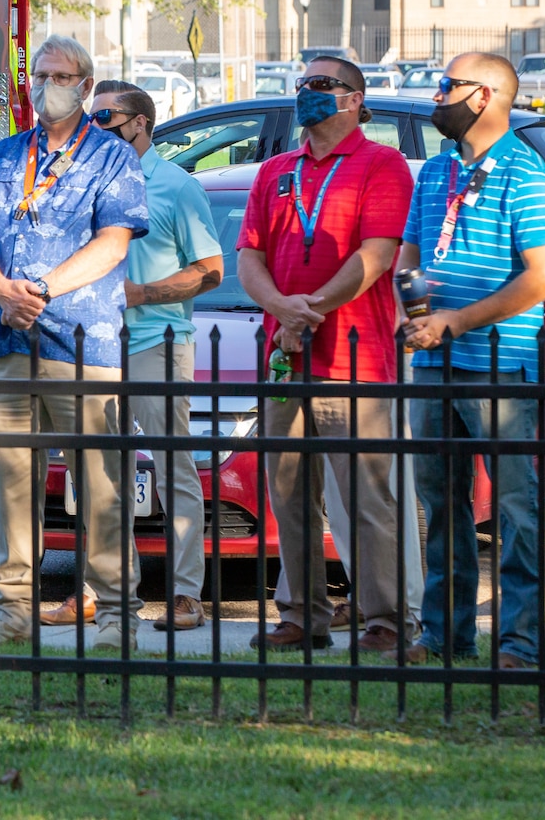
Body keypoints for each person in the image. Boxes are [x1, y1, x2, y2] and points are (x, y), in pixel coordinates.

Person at [0, 35, 149, 650]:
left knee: (101, 487)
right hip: (10, 344)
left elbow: (114, 243)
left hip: (84, 343)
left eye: (63, 75)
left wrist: (39, 287)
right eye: (41, 74)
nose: (49, 85)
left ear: (86, 86)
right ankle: (11, 614)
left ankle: (117, 618)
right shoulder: (3, 154)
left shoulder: (113, 159)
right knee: (12, 482)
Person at [236, 57, 412, 654]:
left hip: (353, 361)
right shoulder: (275, 171)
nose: (306, 93)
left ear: (355, 100)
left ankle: (386, 619)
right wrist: (283, 311)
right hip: (285, 358)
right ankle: (301, 615)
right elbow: (249, 258)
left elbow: (377, 255)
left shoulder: (382, 164)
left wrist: (306, 308)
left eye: (322, 85)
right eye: (302, 84)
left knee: (366, 499)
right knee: (288, 496)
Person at [398, 53, 545, 669]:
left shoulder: (527, 174)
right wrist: (411, 308)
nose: (436, 95)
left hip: (498, 365)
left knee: (517, 510)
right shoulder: (436, 170)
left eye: (447, 86)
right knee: (442, 506)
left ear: (484, 96)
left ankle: (520, 644)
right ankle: (444, 635)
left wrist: (455, 321)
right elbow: (413, 250)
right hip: (435, 362)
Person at [42, 81, 223, 633]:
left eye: (104, 117)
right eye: (88, 118)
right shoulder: (81, 180)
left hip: (155, 344)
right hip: (93, 343)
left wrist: (140, 294)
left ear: (140, 122)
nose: (92, 126)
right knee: (99, 474)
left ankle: (187, 595)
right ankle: (105, 591)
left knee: (172, 467)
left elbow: (210, 269)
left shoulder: (173, 185)